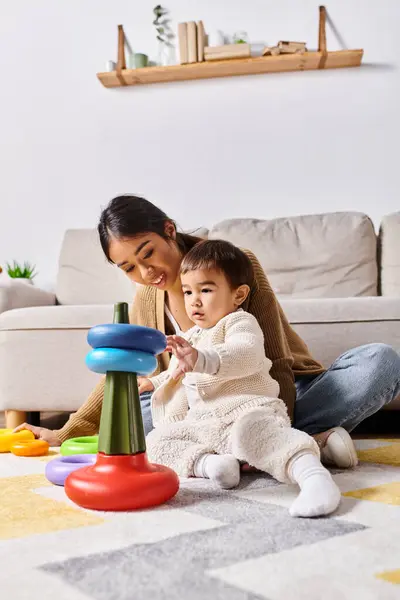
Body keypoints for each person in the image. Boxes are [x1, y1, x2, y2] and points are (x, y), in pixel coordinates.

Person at [15, 195, 400, 466]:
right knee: (143, 414)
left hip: (268, 394)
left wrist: (276, 417)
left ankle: (266, 438)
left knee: (380, 362)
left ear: (169, 230)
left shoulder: (235, 264)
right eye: (129, 267)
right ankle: (292, 444)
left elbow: (277, 358)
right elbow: (122, 371)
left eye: (147, 252)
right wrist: (67, 431)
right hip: (203, 408)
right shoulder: (145, 299)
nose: (145, 273)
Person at [144, 239, 341, 517]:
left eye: (206, 290)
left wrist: (200, 359)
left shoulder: (240, 323)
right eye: (187, 292)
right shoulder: (191, 337)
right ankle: (213, 465)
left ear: (238, 295)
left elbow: (244, 353)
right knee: (156, 441)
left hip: (247, 413)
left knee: (259, 437)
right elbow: (174, 372)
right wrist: (153, 383)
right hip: (205, 425)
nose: (194, 301)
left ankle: (314, 479)